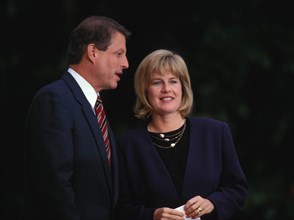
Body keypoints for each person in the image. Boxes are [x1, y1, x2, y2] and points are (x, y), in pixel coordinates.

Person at [115, 49, 248, 220]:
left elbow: (237, 189)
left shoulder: (215, 132)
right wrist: (151, 215)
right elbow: (120, 207)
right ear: (144, 89)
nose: (166, 89)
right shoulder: (127, 145)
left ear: (183, 87)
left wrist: (212, 203)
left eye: (173, 81)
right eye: (157, 82)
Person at [20, 15, 131, 220]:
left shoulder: (96, 108)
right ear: (93, 52)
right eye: (119, 53)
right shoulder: (54, 99)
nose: (125, 63)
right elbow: (54, 185)